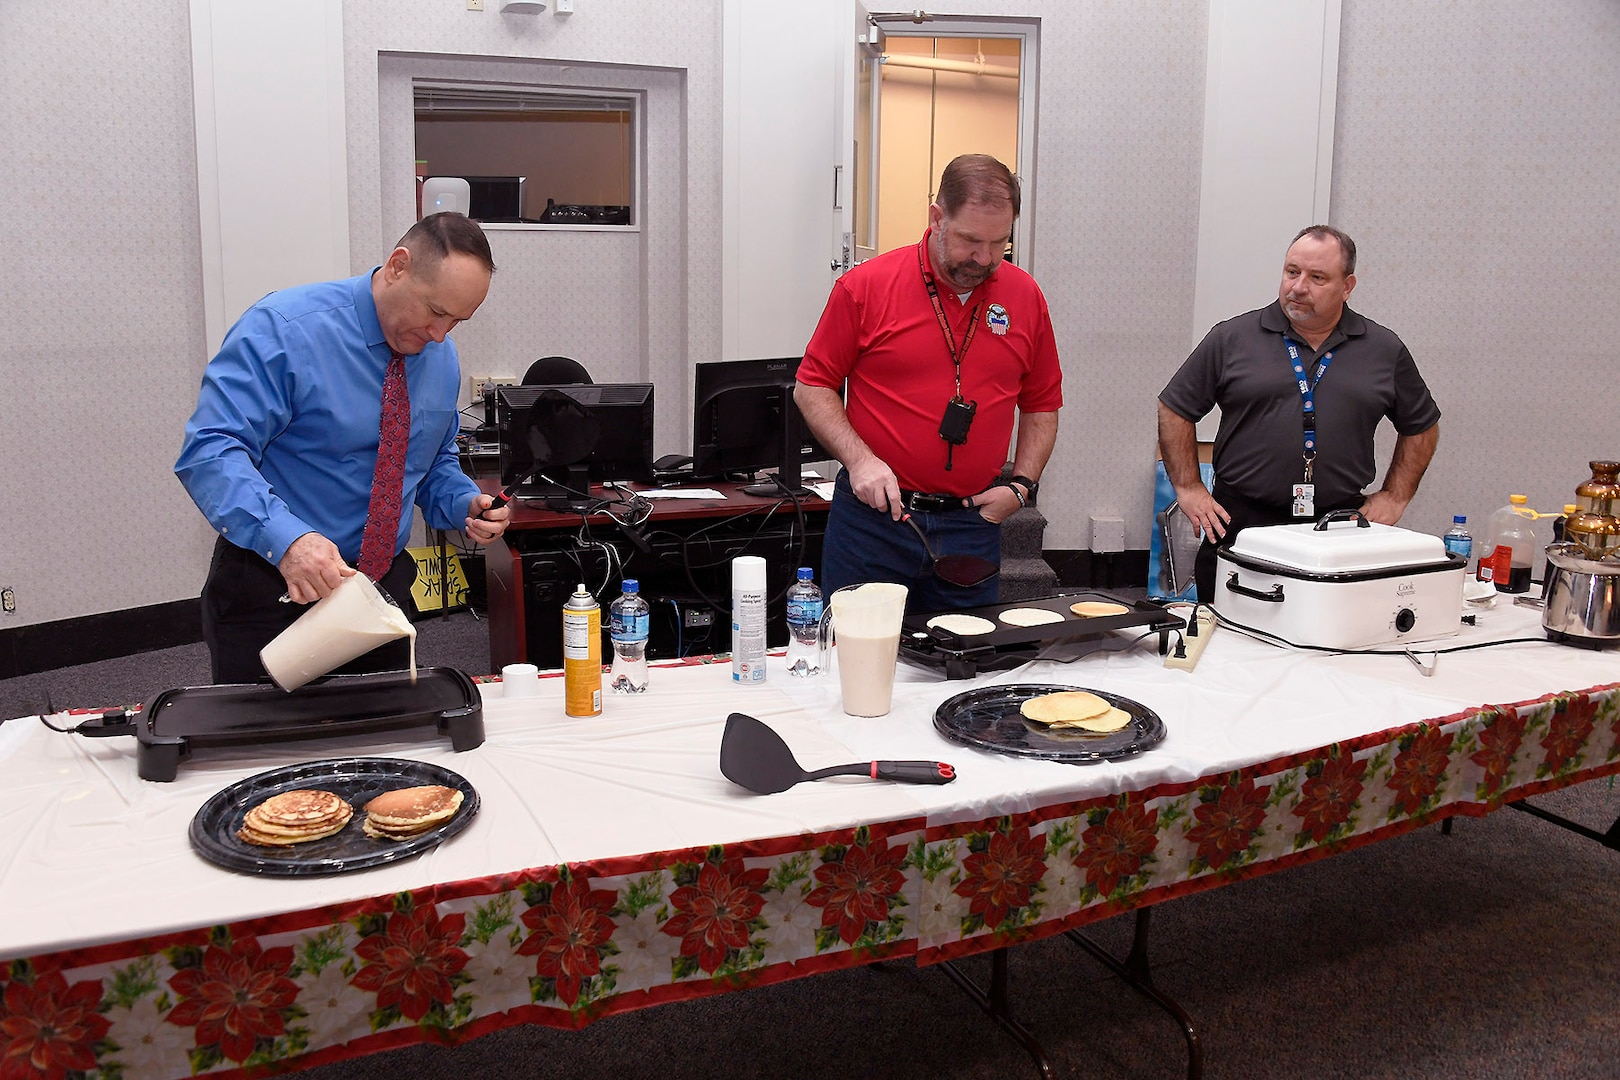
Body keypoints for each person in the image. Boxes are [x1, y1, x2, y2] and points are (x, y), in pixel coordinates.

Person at [176, 212, 511, 683]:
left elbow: (431, 461)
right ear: (398, 266)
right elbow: (211, 449)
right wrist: (288, 540)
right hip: (276, 585)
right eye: (435, 311)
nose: (440, 335)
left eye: (457, 321)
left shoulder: (439, 358)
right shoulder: (284, 329)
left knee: (381, 742)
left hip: (380, 592)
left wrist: (465, 502)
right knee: (262, 747)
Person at [795, 154, 1062, 612]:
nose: (985, 258)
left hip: (971, 523)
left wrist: (1021, 486)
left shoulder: (1025, 296)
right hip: (875, 520)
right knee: (858, 662)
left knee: (959, 665)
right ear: (937, 218)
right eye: (970, 240)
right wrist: (859, 461)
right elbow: (812, 386)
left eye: (1000, 243)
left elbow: (1041, 403)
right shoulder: (866, 287)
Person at [1158, 225, 1441, 603]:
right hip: (1243, 521)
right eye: (1292, 272)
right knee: (1230, 643)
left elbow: (1421, 426)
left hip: (1337, 528)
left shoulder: (1383, 350)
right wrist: (1190, 488)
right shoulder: (1233, 337)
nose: (1298, 287)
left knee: (1326, 638)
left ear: (1347, 286)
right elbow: (1174, 407)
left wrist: (1395, 495)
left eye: (1317, 277)